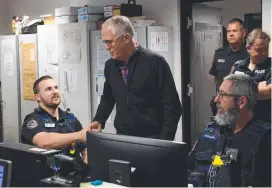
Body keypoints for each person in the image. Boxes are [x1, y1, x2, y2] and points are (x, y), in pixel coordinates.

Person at [88, 16, 182, 140]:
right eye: (105, 42)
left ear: (126, 38)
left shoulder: (155, 62)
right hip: (123, 137)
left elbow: (172, 106)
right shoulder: (110, 66)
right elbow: (108, 97)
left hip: (153, 138)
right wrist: (99, 119)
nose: (107, 47)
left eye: (110, 42)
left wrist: (165, 141)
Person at [188, 74, 271, 187]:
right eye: (218, 93)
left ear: (241, 102)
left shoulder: (265, 137)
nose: (216, 100)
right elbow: (188, 167)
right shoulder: (211, 131)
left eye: (223, 95)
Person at [21, 75, 88, 164]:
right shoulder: (33, 120)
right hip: (46, 174)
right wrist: (78, 135)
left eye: (56, 88)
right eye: (48, 89)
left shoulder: (70, 118)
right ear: (38, 97)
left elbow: (84, 145)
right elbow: (44, 142)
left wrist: (86, 155)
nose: (55, 91)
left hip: (72, 173)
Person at [209, 18, 249, 116]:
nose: (231, 34)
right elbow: (216, 77)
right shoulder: (219, 53)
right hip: (222, 105)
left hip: (241, 106)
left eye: (235, 31)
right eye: (229, 31)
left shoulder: (249, 54)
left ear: (243, 33)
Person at [232, 28, 271, 123]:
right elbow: (228, 90)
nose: (264, 53)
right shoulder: (238, 66)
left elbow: (269, 92)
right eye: (259, 50)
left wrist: (240, 90)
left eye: (266, 49)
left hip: (264, 122)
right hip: (240, 122)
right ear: (248, 48)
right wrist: (258, 88)